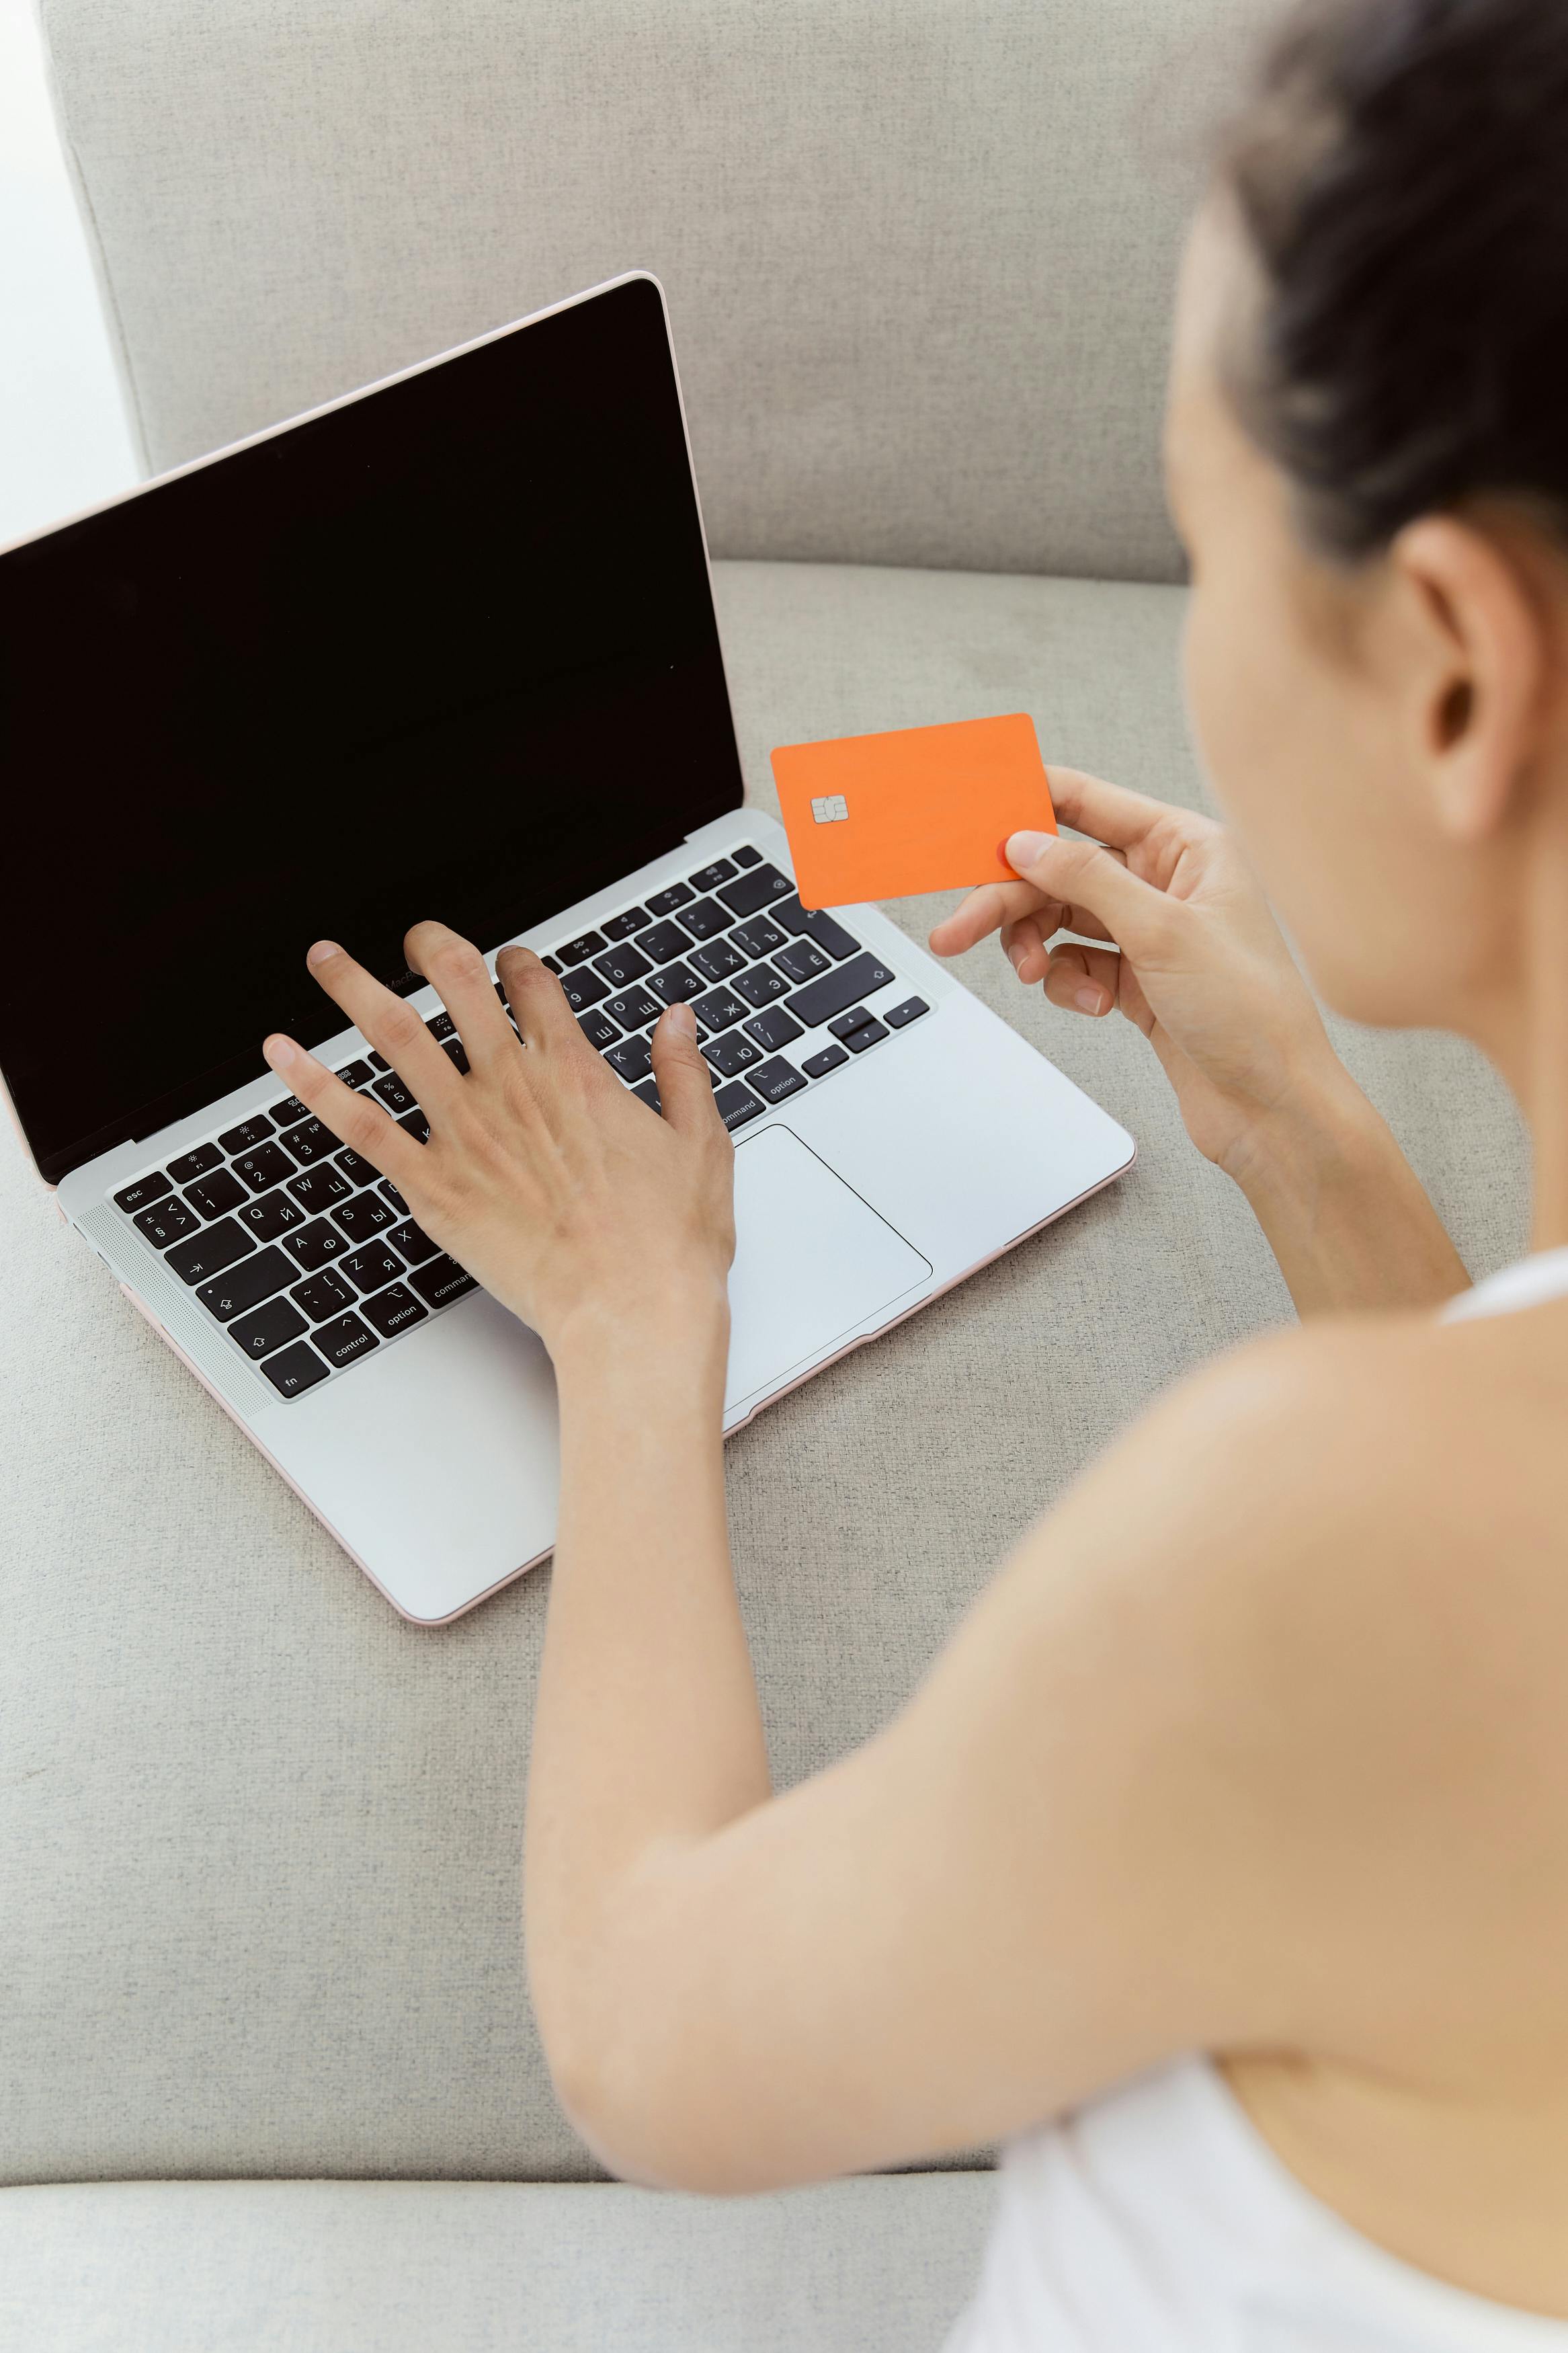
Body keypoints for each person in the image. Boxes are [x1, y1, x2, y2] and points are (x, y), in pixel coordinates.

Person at [257, 0, 1568, 2336]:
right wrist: (1308, 1134)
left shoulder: (1284, 1553)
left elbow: (657, 2035)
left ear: (1452, 669)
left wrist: (632, 1320)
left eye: (1204, 544)